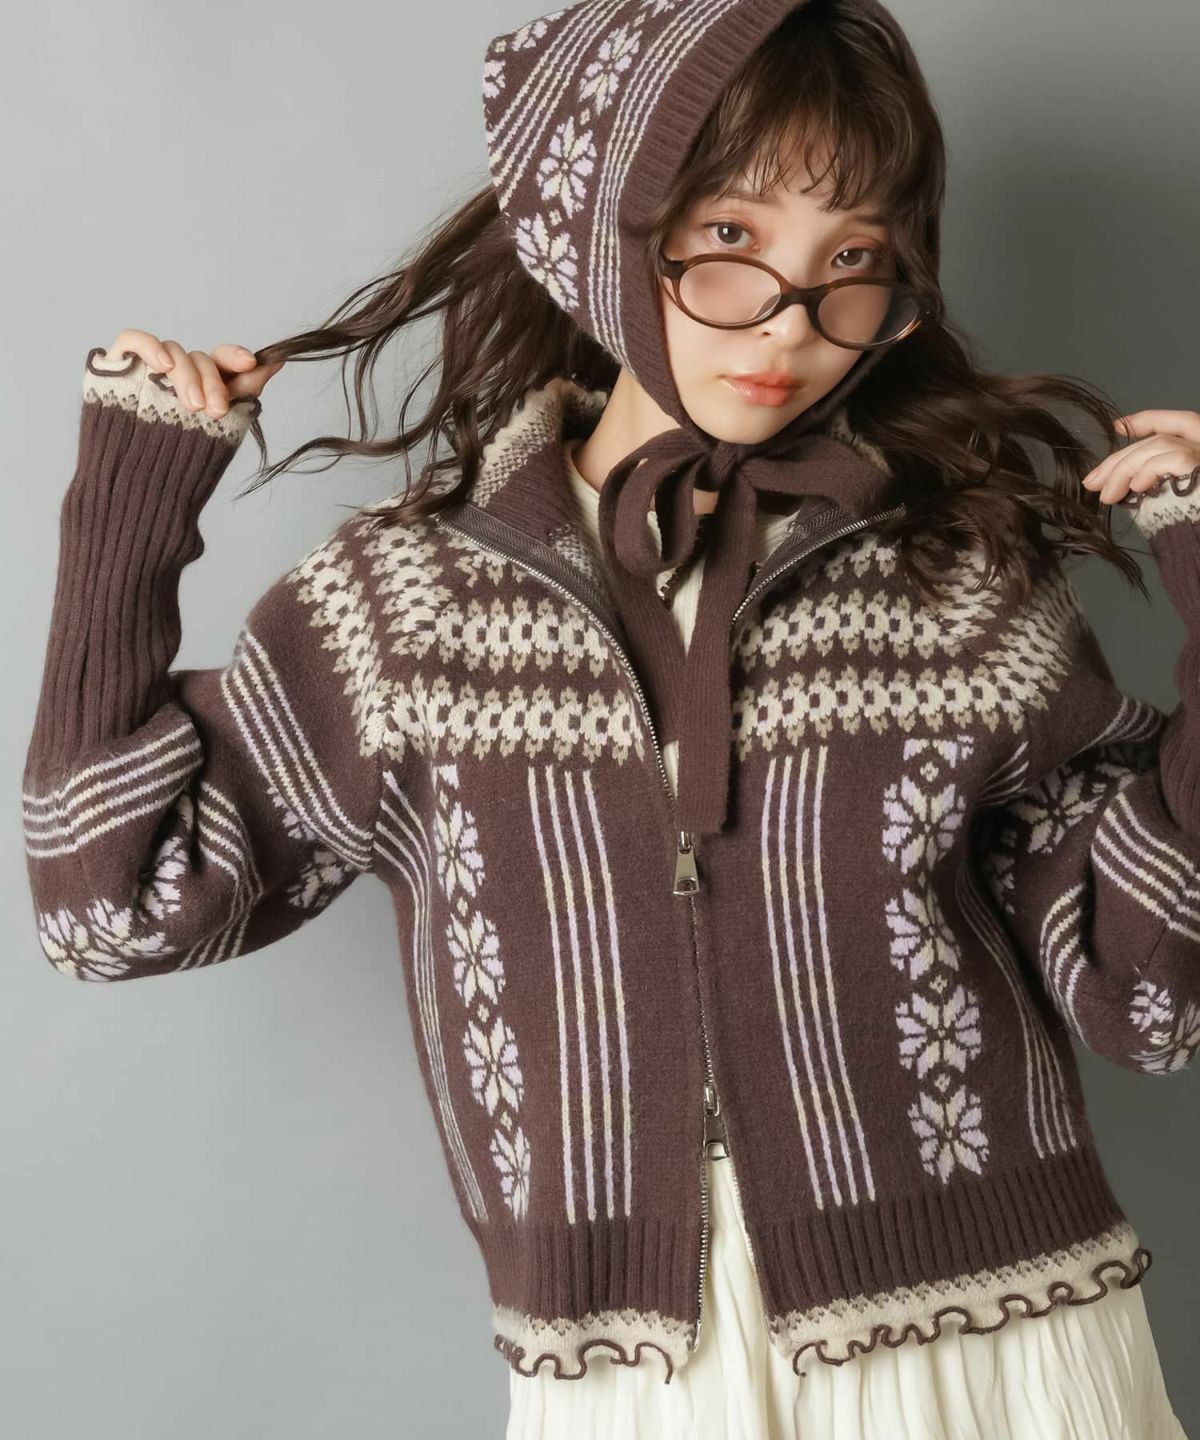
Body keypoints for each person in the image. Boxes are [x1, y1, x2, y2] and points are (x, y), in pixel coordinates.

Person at [21, 2, 1196, 1437]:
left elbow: (1155, 996)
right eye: (729, 240)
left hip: (998, 1341)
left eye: (853, 263)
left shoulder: (951, 587)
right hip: (636, 1377)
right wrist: (127, 515)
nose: (790, 323)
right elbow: (111, 912)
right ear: (607, 235)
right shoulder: (407, 609)